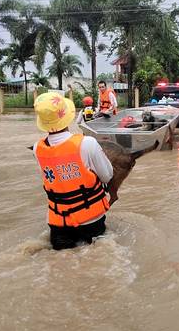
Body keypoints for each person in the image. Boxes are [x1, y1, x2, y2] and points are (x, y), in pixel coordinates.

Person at [32, 92, 114, 250]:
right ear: (66, 116)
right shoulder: (87, 143)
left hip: (58, 224)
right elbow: (107, 176)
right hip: (90, 220)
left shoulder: (37, 149)